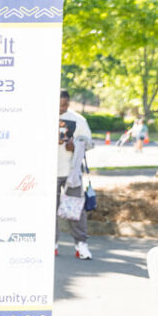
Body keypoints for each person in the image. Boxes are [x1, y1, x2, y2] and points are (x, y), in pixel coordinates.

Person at [57, 90, 93, 260]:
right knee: (47, 210)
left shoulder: (78, 119)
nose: (61, 108)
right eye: (59, 105)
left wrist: (76, 146)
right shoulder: (42, 116)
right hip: (48, 172)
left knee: (75, 208)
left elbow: (89, 142)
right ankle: (51, 243)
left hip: (71, 172)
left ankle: (81, 244)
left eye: (65, 105)